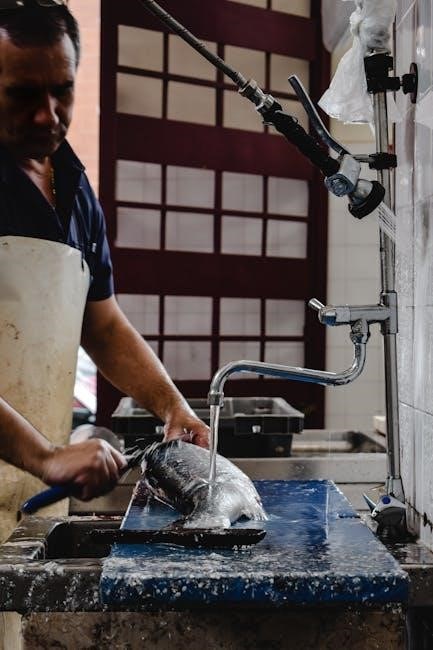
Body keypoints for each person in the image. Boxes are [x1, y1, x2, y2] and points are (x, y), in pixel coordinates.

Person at [0, 0, 209, 541]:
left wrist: (172, 407)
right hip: (38, 461)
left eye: (62, 91)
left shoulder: (72, 185)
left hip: (30, 491)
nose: (47, 115)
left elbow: (102, 324)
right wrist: (46, 456)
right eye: (22, 94)